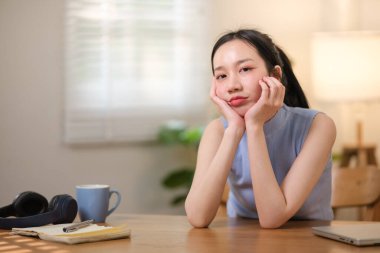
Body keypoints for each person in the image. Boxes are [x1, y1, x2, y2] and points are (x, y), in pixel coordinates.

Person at [184, 29, 336, 229]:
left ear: (275, 75)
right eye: (221, 75)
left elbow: (272, 218)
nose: (232, 85)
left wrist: (254, 126)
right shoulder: (218, 131)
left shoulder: (319, 125)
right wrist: (234, 131)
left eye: (245, 69)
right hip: (240, 240)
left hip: (308, 239)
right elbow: (198, 217)